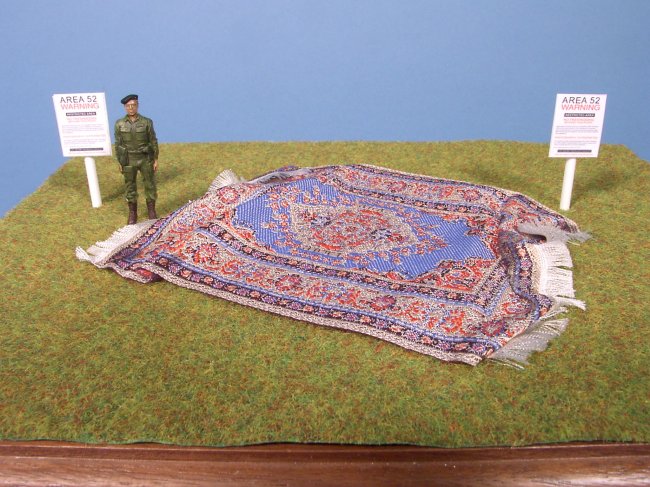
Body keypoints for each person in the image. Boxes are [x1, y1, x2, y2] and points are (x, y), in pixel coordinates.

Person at [114, 94, 159, 224]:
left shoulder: (146, 122)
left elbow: (153, 141)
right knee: (130, 186)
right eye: (128, 106)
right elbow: (118, 144)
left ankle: (151, 211)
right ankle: (132, 213)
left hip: (145, 158)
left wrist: (155, 159)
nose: (131, 108)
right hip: (128, 159)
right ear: (125, 107)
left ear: (137, 106)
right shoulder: (119, 124)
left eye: (133, 105)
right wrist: (120, 161)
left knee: (150, 184)